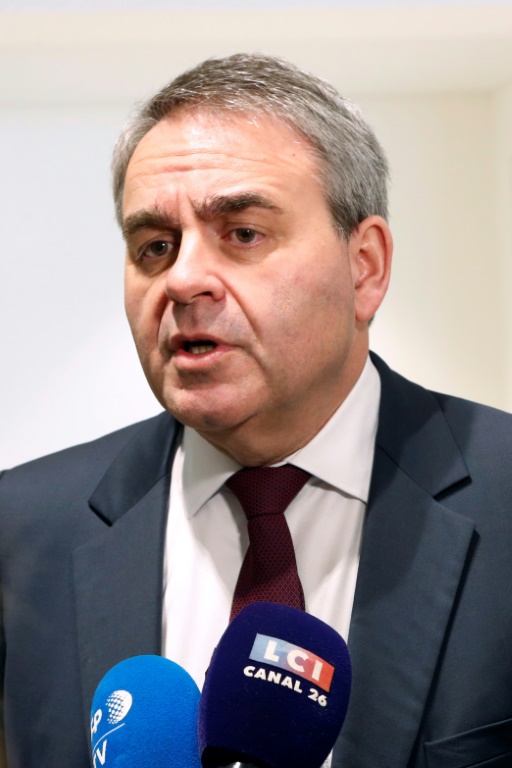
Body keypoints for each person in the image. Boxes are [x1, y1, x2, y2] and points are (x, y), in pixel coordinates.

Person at [1, 53, 511, 768]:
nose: (183, 279)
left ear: (365, 267)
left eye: (242, 233)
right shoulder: (20, 530)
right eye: (155, 246)